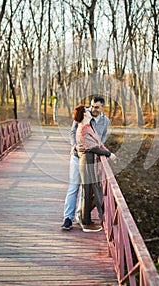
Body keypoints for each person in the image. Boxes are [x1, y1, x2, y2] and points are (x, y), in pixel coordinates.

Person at [61, 96, 110, 230]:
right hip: (77, 156)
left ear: (102, 108)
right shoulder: (84, 114)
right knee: (73, 186)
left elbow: (102, 139)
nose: (93, 109)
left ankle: (81, 215)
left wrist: (101, 152)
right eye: (92, 106)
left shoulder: (105, 121)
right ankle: (68, 218)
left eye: (96, 107)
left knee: (86, 189)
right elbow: (72, 132)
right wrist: (75, 146)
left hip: (91, 159)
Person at [73, 104, 116, 232]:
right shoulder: (83, 129)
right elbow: (92, 147)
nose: (89, 111)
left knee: (91, 190)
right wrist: (108, 154)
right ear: (84, 114)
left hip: (91, 161)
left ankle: (84, 217)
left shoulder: (89, 126)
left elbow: (98, 143)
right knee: (87, 191)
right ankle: (86, 222)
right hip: (86, 162)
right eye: (87, 111)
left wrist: (107, 151)